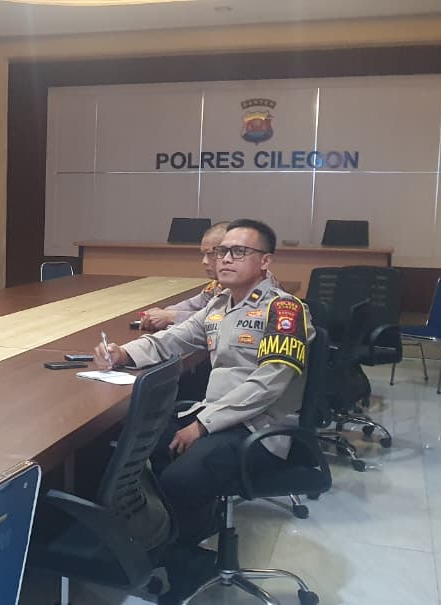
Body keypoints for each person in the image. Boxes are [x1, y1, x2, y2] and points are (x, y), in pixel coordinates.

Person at [94, 219, 313, 602]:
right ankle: (168, 539)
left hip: (261, 431)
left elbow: (269, 384)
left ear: (265, 261)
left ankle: (186, 565)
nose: (225, 259)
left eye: (239, 252)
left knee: (180, 479)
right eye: (222, 251)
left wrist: (202, 425)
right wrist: (123, 353)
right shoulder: (221, 305)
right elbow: (173, 338)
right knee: (134, 444)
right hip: (219, 419)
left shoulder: (284, 310)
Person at [139, 221, 230, 330]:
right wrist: (163, 312)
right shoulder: (217, 284)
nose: (204, 261)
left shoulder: (238, 287)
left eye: (211, 254)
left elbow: (220, 318)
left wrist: (171, 316)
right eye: (203, 254)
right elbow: (193, 304)